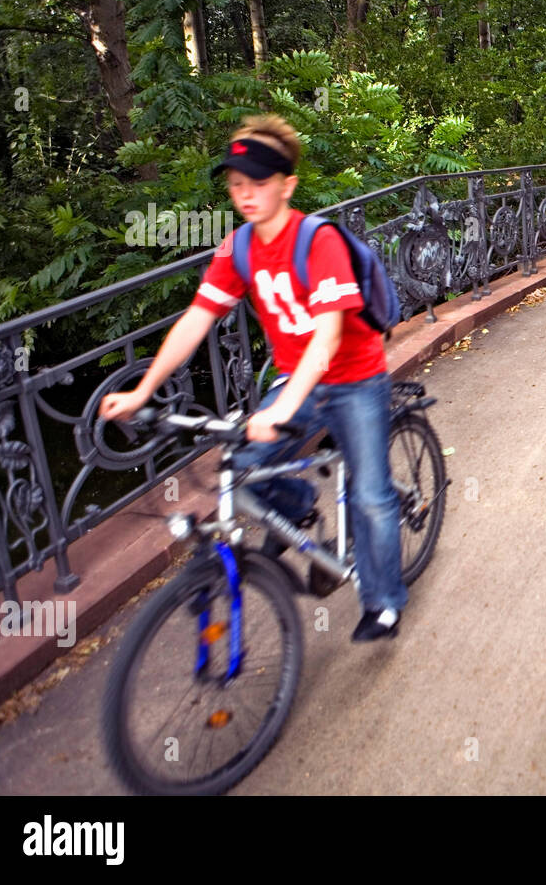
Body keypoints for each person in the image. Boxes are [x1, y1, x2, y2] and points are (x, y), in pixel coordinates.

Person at [99, 114, 407, 642]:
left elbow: (328, 338)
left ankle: (383, 602)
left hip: (354, 378)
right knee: (237, 469)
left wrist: (282, 410)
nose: (245, 193)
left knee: (371, 495)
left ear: (287, 185)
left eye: (258, 182)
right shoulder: (237, 248)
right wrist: (143, 389)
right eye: (237, 183)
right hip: (296, 378)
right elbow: (196, 320)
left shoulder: (318, 241)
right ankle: (302, 507)